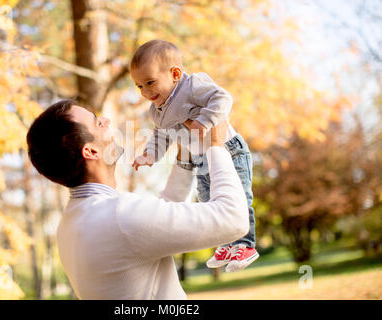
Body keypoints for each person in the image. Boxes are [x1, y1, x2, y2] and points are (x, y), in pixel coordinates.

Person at [26, 99, 249, 299]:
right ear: (91, 152)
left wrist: (184, 155)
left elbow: (156, 225)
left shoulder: (71, 223)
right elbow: (234, 219)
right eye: (97, 123)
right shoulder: (119, 215)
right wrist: (216, 144)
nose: (105, 119)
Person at [130, 39, 258, 272]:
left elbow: (222, 98)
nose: (146, 92)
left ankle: (245, 245)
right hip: (202, 159)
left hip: (229, 150)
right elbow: (161, 136)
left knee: (239, 195)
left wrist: (204, 121)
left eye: (150, 82)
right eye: (139, 87)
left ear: (175, 73)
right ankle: (228, 245)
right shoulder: (156, 111)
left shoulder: (192, 85)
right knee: (210, 200)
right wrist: (149, 155)